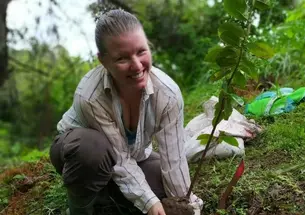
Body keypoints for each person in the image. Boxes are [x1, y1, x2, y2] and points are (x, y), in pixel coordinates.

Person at [50, 9, 203, 215]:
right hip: (79, 152)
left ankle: (104, 198)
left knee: (162, 185)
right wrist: (149, 204)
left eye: (141, 51)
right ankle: (80, 207)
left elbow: (174, 160)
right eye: (122, 58)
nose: (137, 65)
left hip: (134, 158)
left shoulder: (168, 94)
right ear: (103, 61)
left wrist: (184, 203)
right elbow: (119, 158)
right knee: (91, 151)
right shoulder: (90, 96)